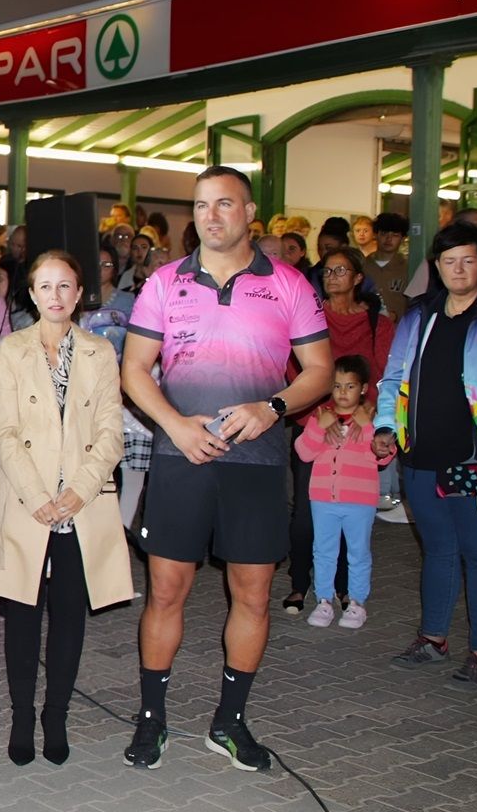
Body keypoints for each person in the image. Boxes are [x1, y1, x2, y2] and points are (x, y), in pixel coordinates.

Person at [121, 166, 332, 772]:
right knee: (165, 592)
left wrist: (271, 409)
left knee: (254, 595)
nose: (211, 216)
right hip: (180, 458)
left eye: (224, 204)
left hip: (257, 464)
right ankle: (152, 719)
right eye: (201, 205)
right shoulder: (164, 282)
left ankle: (230, 722)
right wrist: (174, 425)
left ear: (249, 213)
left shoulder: (290, 284)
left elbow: (318, 370)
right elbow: (135, 369)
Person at [0, 250, 131, 766]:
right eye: (45, 286)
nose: (55, 296)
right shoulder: (11, 351)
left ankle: (55, 713)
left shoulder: (100, 352)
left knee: (69, 615)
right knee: (22, 613)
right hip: (25, 500)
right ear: (33, 294)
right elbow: (5, 432)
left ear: (79, 294)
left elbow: (111, 432)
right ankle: (22, 714)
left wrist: (78, 491)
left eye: (65, 286)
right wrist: (40, 498)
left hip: (81, 505)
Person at [378, 222, 477, 689]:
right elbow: (392, 381)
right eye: (449, 261)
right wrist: (387, 427)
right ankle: (433, 639)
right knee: (438, 551)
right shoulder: (419, 316)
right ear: (437, 266)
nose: (458, 269)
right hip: (422, 457)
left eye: (468, 260)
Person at [283, 247, 394, 614]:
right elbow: (294, 370)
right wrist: (323, 412)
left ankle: (345, 591)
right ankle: (301, 585)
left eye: (341, 270)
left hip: (361, 426)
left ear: (358, 278)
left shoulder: (378, 322)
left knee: (351, 509)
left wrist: (366, 412)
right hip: (318, 422)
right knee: (306, 515)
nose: (332, 277)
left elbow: (387, 376)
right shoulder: (309, 317)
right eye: (327, 271)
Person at [294, 355, 393, 629]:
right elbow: (303, 452)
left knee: (358, 552)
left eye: (350, 386)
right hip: (323, 498)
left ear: (362, 388)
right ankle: (324, 601)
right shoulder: (322, 417)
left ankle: (356, 603)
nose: (342, 392)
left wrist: (372, 431)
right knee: (323, 551)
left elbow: (385, 456)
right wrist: (320, 429)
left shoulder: (373, 419)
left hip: (359, 501)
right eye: (337, 386)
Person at [363, 212, 410, 321]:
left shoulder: (408, 268)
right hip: (366, 329)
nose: (389, 239)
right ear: (375, 235)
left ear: (403, 238)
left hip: (397, 331)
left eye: (395, 235)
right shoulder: (362, 266)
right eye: (384, 234)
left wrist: (395, 316)